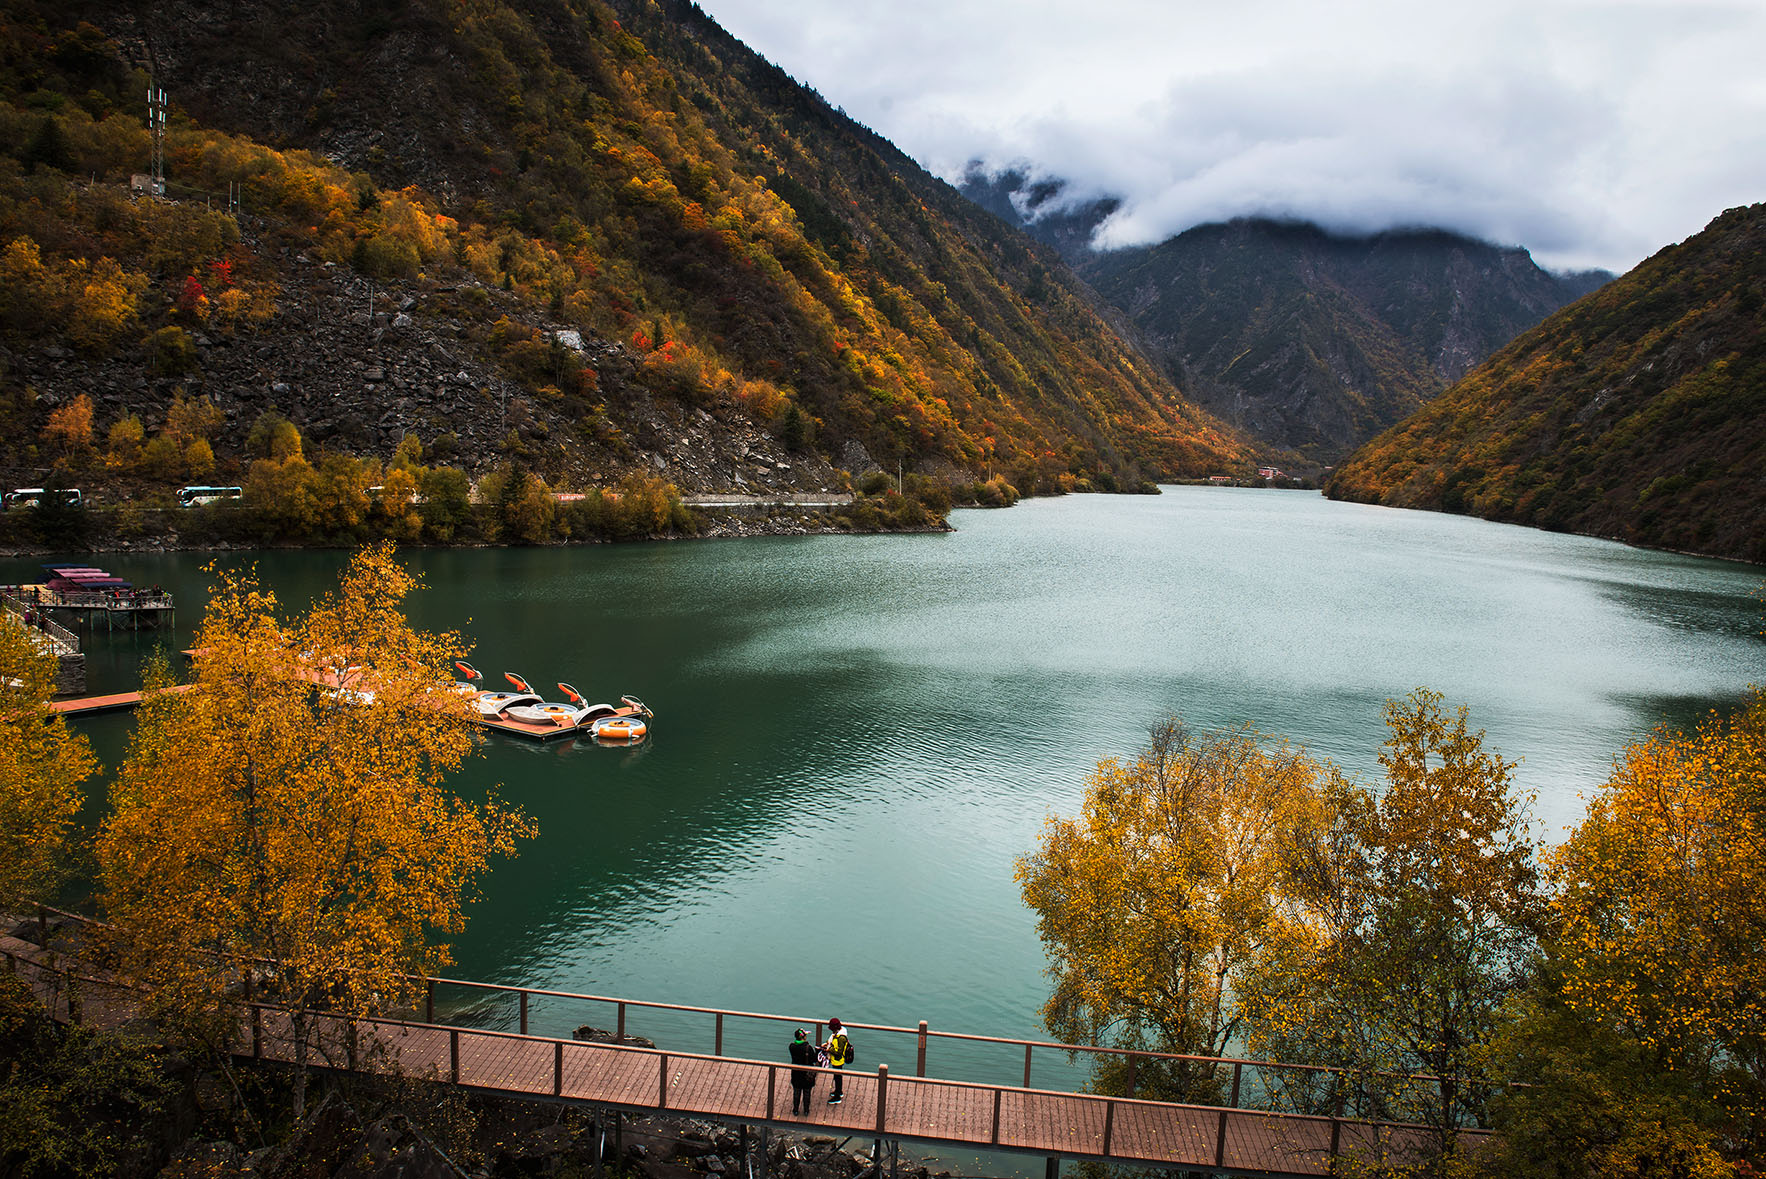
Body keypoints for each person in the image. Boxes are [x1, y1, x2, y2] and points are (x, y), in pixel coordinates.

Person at [821, 1017, 854, 1105]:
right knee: (837, 1077)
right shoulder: (837, 1035)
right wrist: (827, 1044)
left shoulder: (841, 1038)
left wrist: (829, 1050)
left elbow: (839, 1052)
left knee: (838, 1078)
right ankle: (838, 1091)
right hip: (835, 1060)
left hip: (838, 1060)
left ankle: (837, 1096)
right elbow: (833, 1043)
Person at [788, 1028, 817, 1114]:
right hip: (806, 1073)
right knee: (807, 1092)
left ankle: (796, 1110)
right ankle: (806, 1111)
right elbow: (814, 1059)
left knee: (796, 1091)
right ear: (803, 1037)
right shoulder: (808, 1048)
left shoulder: (791, 1047)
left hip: (796, 1073)